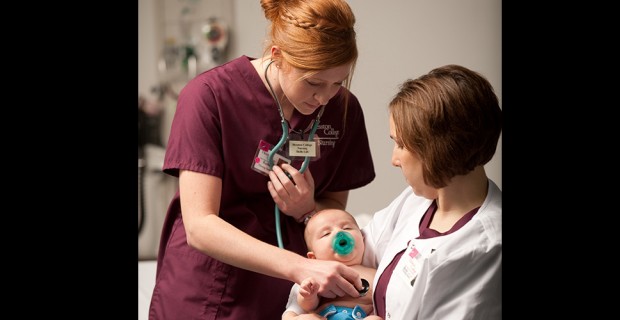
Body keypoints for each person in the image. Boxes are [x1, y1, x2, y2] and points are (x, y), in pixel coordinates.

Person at [148, 0, 376, 319]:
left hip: (290, 295)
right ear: (277, 55)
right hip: (207, 287)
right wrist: (300, 266)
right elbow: (200, 225)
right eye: (313, 83)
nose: (325, 97)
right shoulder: (208, 96)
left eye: (337, 82)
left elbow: (335, 208)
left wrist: (308, 210)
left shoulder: (343, 109)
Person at [361, 64, 502, 319]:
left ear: (436, 150)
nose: (394, 160)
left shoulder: (485, 249)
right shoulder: (418, 201)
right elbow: (360, 250)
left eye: (401, 145)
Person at [282, 209, 383, 320]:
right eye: (326, 233)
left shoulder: (375, 273)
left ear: (362, 239)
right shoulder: (314, 276)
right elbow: (305, 306)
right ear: (313, 257)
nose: (339, 233)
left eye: (347, 228)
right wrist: (308, 295)